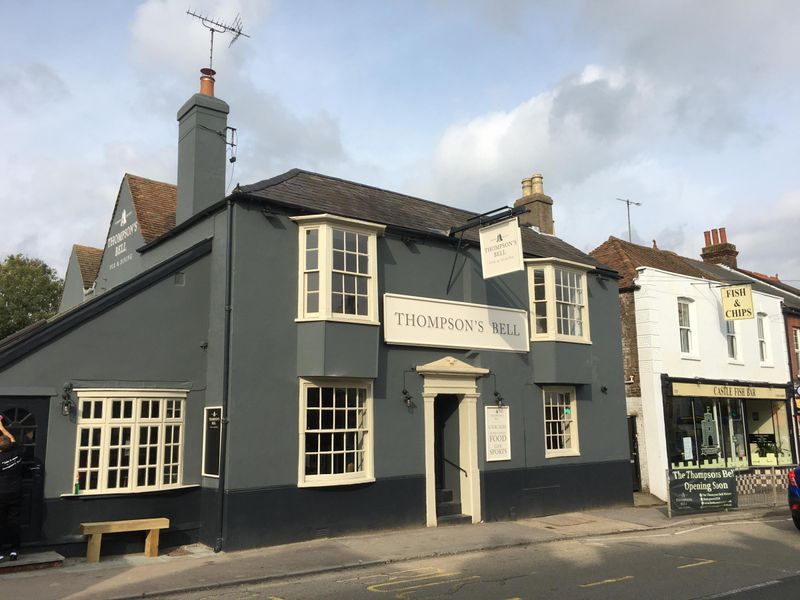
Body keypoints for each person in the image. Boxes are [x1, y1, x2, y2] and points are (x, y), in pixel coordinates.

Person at [0, 416, 23, 561]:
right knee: (13, 522)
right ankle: (14, 550)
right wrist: (2, 428)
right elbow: (12, 439)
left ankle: (0, 552)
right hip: (16, 493)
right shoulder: (18, 453)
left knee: (0, 522)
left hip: (1, 495)